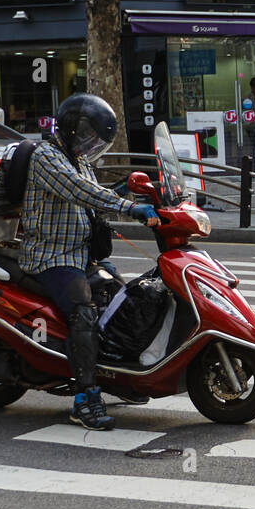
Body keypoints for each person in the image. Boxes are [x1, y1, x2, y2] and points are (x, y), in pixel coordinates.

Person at [18, 93, 160, 431]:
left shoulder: (77, 159)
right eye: (89, 135)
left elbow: (94, 195)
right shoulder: (47, 158)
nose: (91, 143)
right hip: (51, 257)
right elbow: (79, 191)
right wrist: (130, 209)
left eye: (97, 140)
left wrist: (127, 191)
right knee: (83, 311)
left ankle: (117, 375)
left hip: (82, 255)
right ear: (71, 128)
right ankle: (85, 397)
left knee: (124, 298)